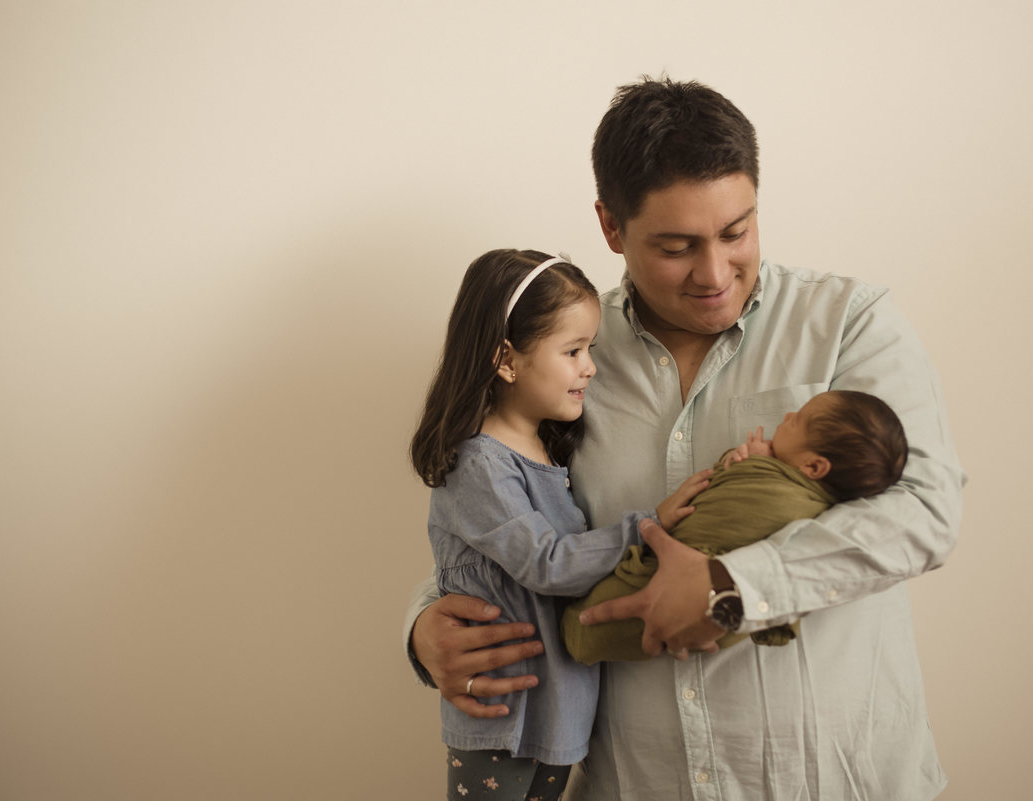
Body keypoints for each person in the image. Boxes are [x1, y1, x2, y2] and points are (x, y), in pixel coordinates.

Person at [405, 76, 965, 800]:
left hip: (830, 781)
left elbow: (925, 511)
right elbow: (497, 507)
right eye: (676, 246)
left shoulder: (849, 325)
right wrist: (426, 625)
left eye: (736, 232)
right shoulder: (562, 358)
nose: (714, 273)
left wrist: (733, 588)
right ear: (611, 227)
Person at [409, 248, 711, 801]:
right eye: (572, 350)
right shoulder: (480, 464)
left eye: (589, 349)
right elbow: (548, 564)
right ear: (507, 360)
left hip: (559, 718)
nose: (590, 366)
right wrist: (650, 526)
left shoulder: (547, 453)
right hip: (504, 720)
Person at [561, 389, 908, 664]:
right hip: (727, 621)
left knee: (596, 618)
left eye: (799, 419)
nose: (788, 415)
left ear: (814, 467)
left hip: (700, 594)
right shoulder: (816, 504)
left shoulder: (780, 490)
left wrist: (745, 465)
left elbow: (724, 494)